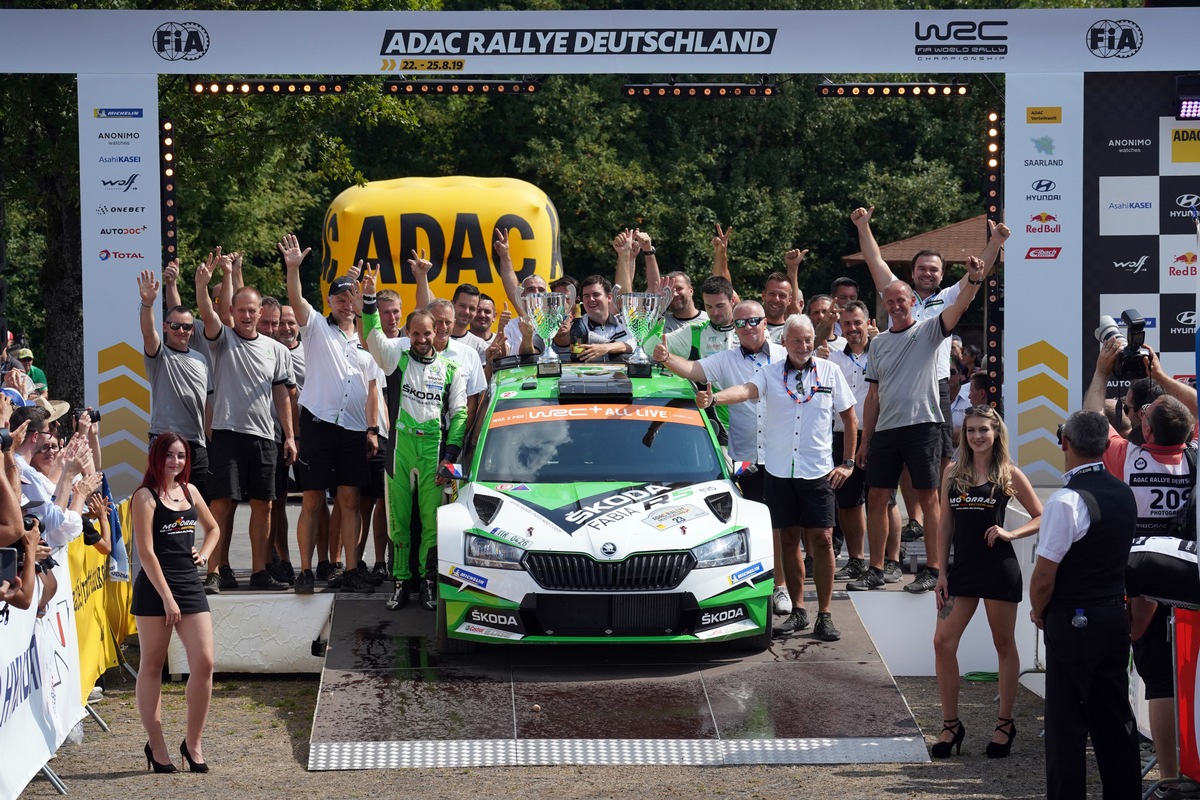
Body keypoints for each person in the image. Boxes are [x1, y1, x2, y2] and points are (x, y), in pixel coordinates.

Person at [852, 207, 1009, 544]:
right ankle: (916, 521)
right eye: (921, 268)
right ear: (912, 272)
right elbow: (874, 260)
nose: (927, 274)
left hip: (935, 386)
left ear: (941, 274)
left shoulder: (948, 297)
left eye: (933, 270)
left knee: (936, 462)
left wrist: (994, 241)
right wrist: (863, 227)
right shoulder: (898, 296)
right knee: (904, 463)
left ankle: (939, 520)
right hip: (898, 387)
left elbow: (975, 276)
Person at [1084, 340, 1198, 795]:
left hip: (1139, 580)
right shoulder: (1194, 455)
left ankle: (1170, 775)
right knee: (1184, 676)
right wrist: (1164, 374)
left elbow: (1092, 422)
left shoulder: (1126, 457)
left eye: (1141, 415)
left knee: (1158, 683)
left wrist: (1100, 370)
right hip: (1188, 576)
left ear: (1146, 432)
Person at [702, 314, 856, 641]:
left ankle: (825, 614)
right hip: (778, 471)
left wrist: (849, 462)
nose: (803, 346)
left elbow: (849, 417)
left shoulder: (830, 371)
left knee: (823, 540)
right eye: (796, 340)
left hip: (817, 472)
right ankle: (799, 611)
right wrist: (715, 397)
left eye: (808, 340)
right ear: (784, 342)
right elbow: (745, 391)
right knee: (787, 539)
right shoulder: (769, 373)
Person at [852, 252, 988, 594]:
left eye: (902, 300)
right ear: (885, 304)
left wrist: (972, 280)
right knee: (878, 496)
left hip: (923, 426)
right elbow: (872, 397)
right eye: (891, 301)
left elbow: (959, 306)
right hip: (885, 430)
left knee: (929, 499)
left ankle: (933, 567)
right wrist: (864, 442)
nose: (897, 305)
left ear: (914, 302)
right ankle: (877, 567)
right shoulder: (878, 343)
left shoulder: (930, 330)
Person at [1030, 410, 1141, 800]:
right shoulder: (1124, 492)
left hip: (1073, 617)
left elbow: (1044, 577)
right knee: (1115, 718)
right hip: (1113, 615)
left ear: (1066, 444)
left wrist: (1038, 610)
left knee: (1066, 724)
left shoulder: (1065, 500)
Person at [654, 300, 789, 615]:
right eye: (740, 323)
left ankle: (781, 587)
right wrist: (667, 358)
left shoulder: (784, 356)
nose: (747, 328)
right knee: (751, 525)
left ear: (765, 322)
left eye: (753, 321)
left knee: (781, 526)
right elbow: (693, 370)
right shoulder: (726, 358)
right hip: (744, 458)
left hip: (783, 456)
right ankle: (755, 585)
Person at [930, 405, 1042, 759]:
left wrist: (1011, 532)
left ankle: (1004, 723)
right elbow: (944, 524)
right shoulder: (952, 471)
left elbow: (1042, 516)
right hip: (961, 571)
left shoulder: (1008, 472)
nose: (977, 436)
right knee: (942, 642)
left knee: (1003, 645)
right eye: (971, 430)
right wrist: (941, 572)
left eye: (983, 430)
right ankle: (951, 725)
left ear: (996, 434)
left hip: (998, 569)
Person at [363, 267, 468, 611]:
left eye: (428, 332)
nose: (422, 339)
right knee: (399, 521)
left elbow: (460, 415)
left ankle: (428, 583)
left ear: (437, 331)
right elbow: (372, 335)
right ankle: (400, 581)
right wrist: (368, 297)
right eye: (416, 333)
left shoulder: (452, 369)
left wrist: (449, 457)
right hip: (401, 448)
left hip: (433, 450)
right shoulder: (397, 358)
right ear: (408, 333)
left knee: (432, 522)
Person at [280, 235, 381, 595]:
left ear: (357, 301)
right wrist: (293, 268)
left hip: (353, 430)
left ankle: (351, 568)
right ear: (329, 301)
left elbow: (372, 387)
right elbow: (295, 300)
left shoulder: (368, 337)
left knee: (351, 501)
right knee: (311, 499)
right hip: (319, 425)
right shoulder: (317, 329)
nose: (344, 303)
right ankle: (305, 570)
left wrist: (372, 429)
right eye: (338, 297)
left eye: (349, 297)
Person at [195, 251, 296, 591]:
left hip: (265, 436)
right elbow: (209, 312)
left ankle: (258, 571)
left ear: (262, 313)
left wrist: (290, 436)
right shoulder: (222, 338)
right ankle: (214, 571)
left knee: (264, 505)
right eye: (242, 310)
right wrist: (206, 284)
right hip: (226, 432)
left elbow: (282, 393)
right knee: (222, 504)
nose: (248, 316)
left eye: (254, 311)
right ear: (233, 313)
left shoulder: (276, 349)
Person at [130, 432, 220, 774]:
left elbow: (213, 529)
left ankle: (192, 743)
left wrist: (205, 553)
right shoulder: (145, 497)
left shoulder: (190, 491)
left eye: (181, 456)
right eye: (170, 455)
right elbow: (145, 553)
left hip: (189, 585)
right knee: (152, 664)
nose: (176, 462)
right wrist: (167, 598)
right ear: (157, 457)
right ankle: (156, 745)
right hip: (156, 589)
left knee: (205, 663)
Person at [139, 269, 212, 501]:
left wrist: (214, 442)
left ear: (193, 329)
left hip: (196, 445)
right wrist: (147, 304)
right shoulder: (159, 355)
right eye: (175, 326)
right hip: (165, 439)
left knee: (195, 507)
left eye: (187, 327)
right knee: (163, 502)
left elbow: (207, 404)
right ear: (165, 327)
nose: (181, 331)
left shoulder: (201, 359)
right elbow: (148, 333)